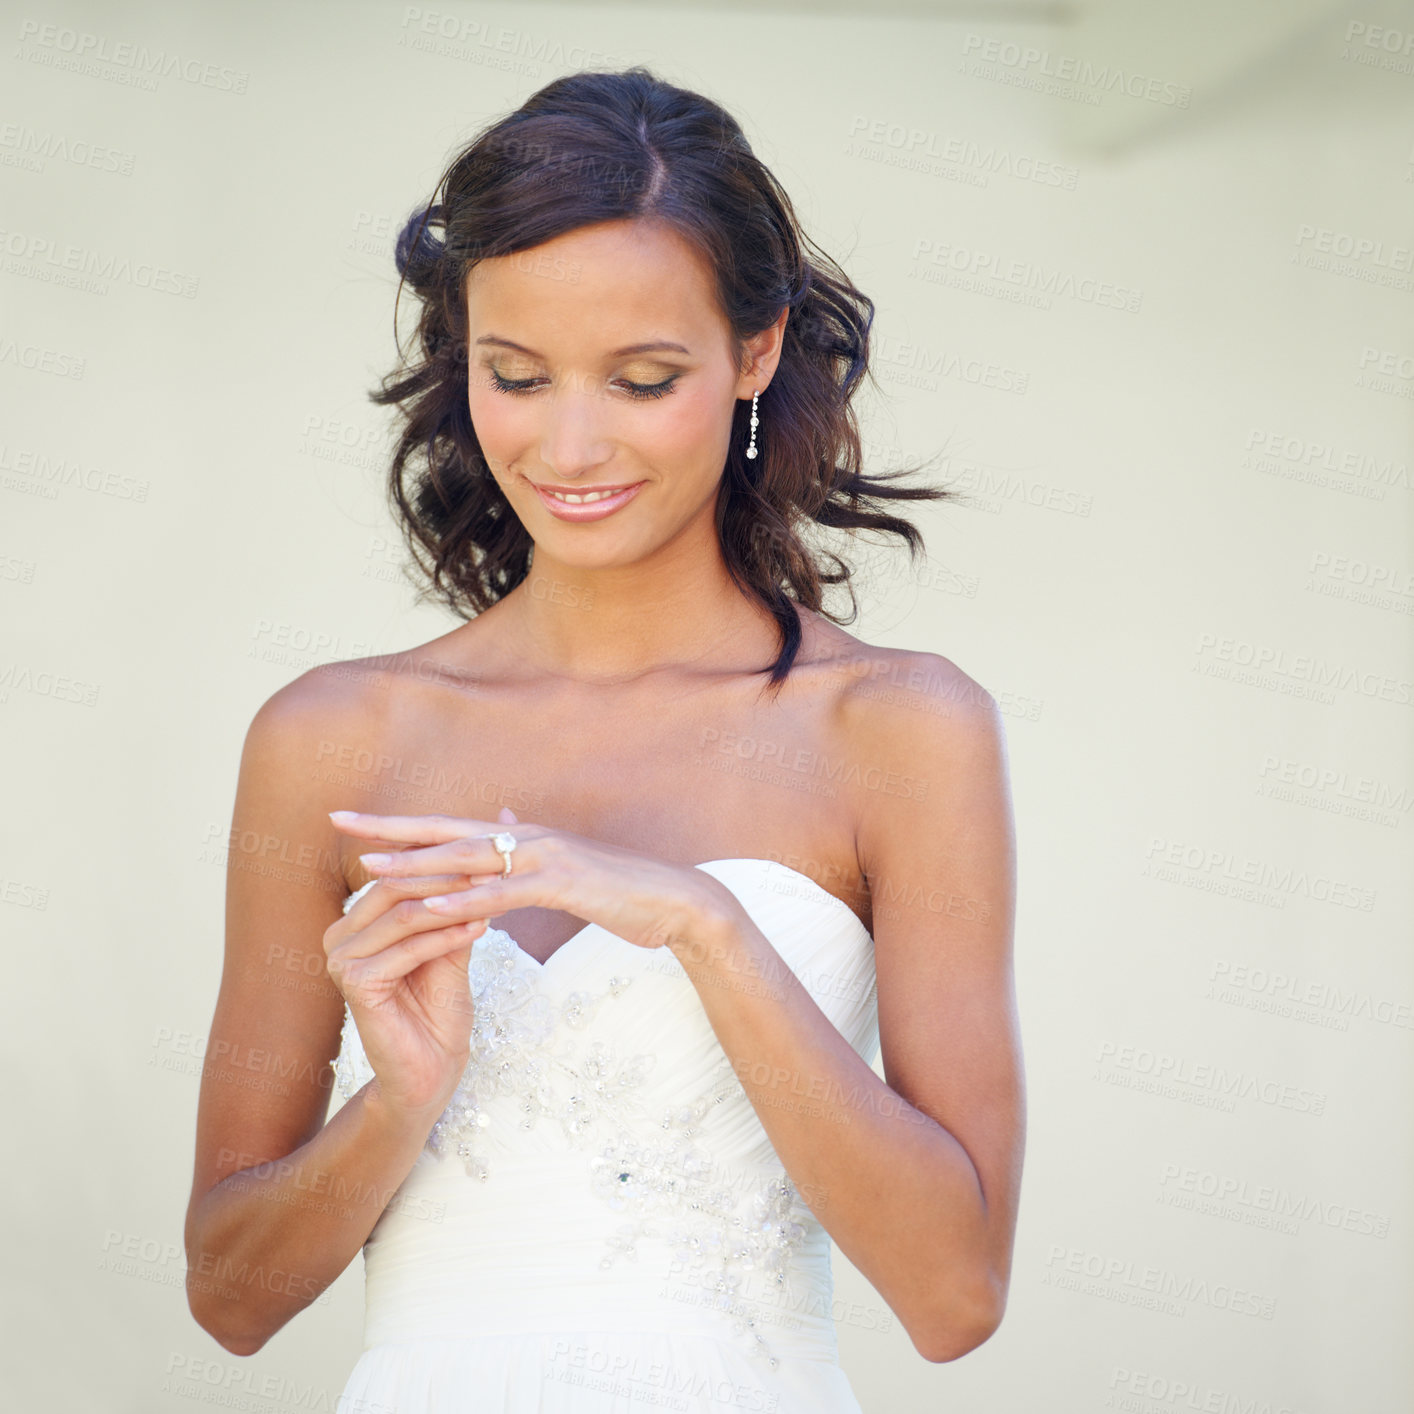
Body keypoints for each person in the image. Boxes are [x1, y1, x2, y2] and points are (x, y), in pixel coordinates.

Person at [184, 65, 1024, 1413]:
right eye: (514, 375)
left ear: (755, 353)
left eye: (641, 380)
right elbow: (228, 1294)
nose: (569, 446)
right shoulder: (329, 738)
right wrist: (401, 1099)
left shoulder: (898, 729)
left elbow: (951, 1294)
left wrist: (706, 926)